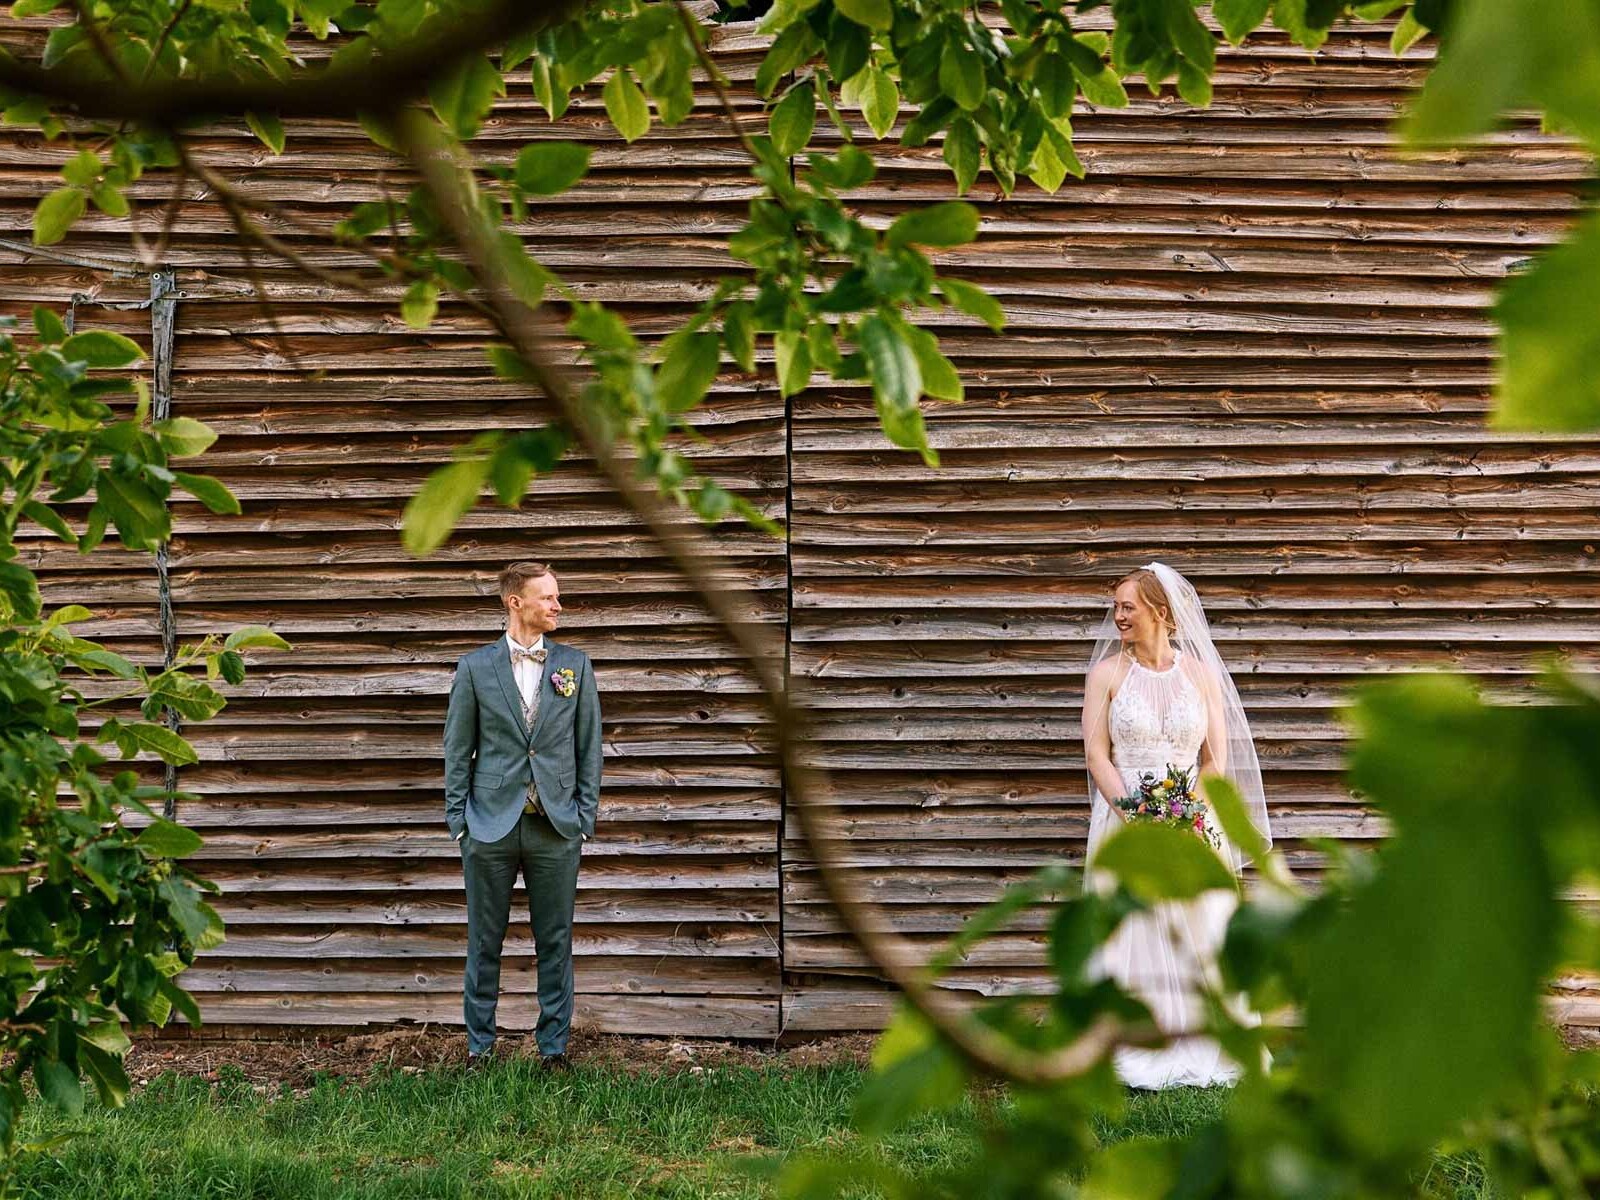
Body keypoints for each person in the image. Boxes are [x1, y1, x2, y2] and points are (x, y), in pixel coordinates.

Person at [1081, 562, 1272, 1089]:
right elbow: (1098, 758)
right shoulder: (1107, 677)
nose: (1117, 616)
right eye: (1116, 607)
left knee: (1201, 931)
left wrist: (1186, 810)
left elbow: (1215, 759)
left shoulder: (1200, 675)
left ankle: (1209, 1036)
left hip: (1191, 819)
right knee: (1133, 929)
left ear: (1160, 612)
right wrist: (1140, 816)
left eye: (1128, 607)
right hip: (1127, 818)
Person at [443, 560, 602, 1068]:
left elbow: (589, 749)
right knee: (483, 941)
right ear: (516, 602)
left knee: (555, 942)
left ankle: (553, 1051)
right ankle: (479, 1050)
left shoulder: (574, 666)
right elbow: (456, 748)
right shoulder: (474, 668)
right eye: (548, 597)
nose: (558, 606)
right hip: (488, 825)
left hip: (556, 827)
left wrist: (584, 818)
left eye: (557, 597)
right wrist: (459, 822)